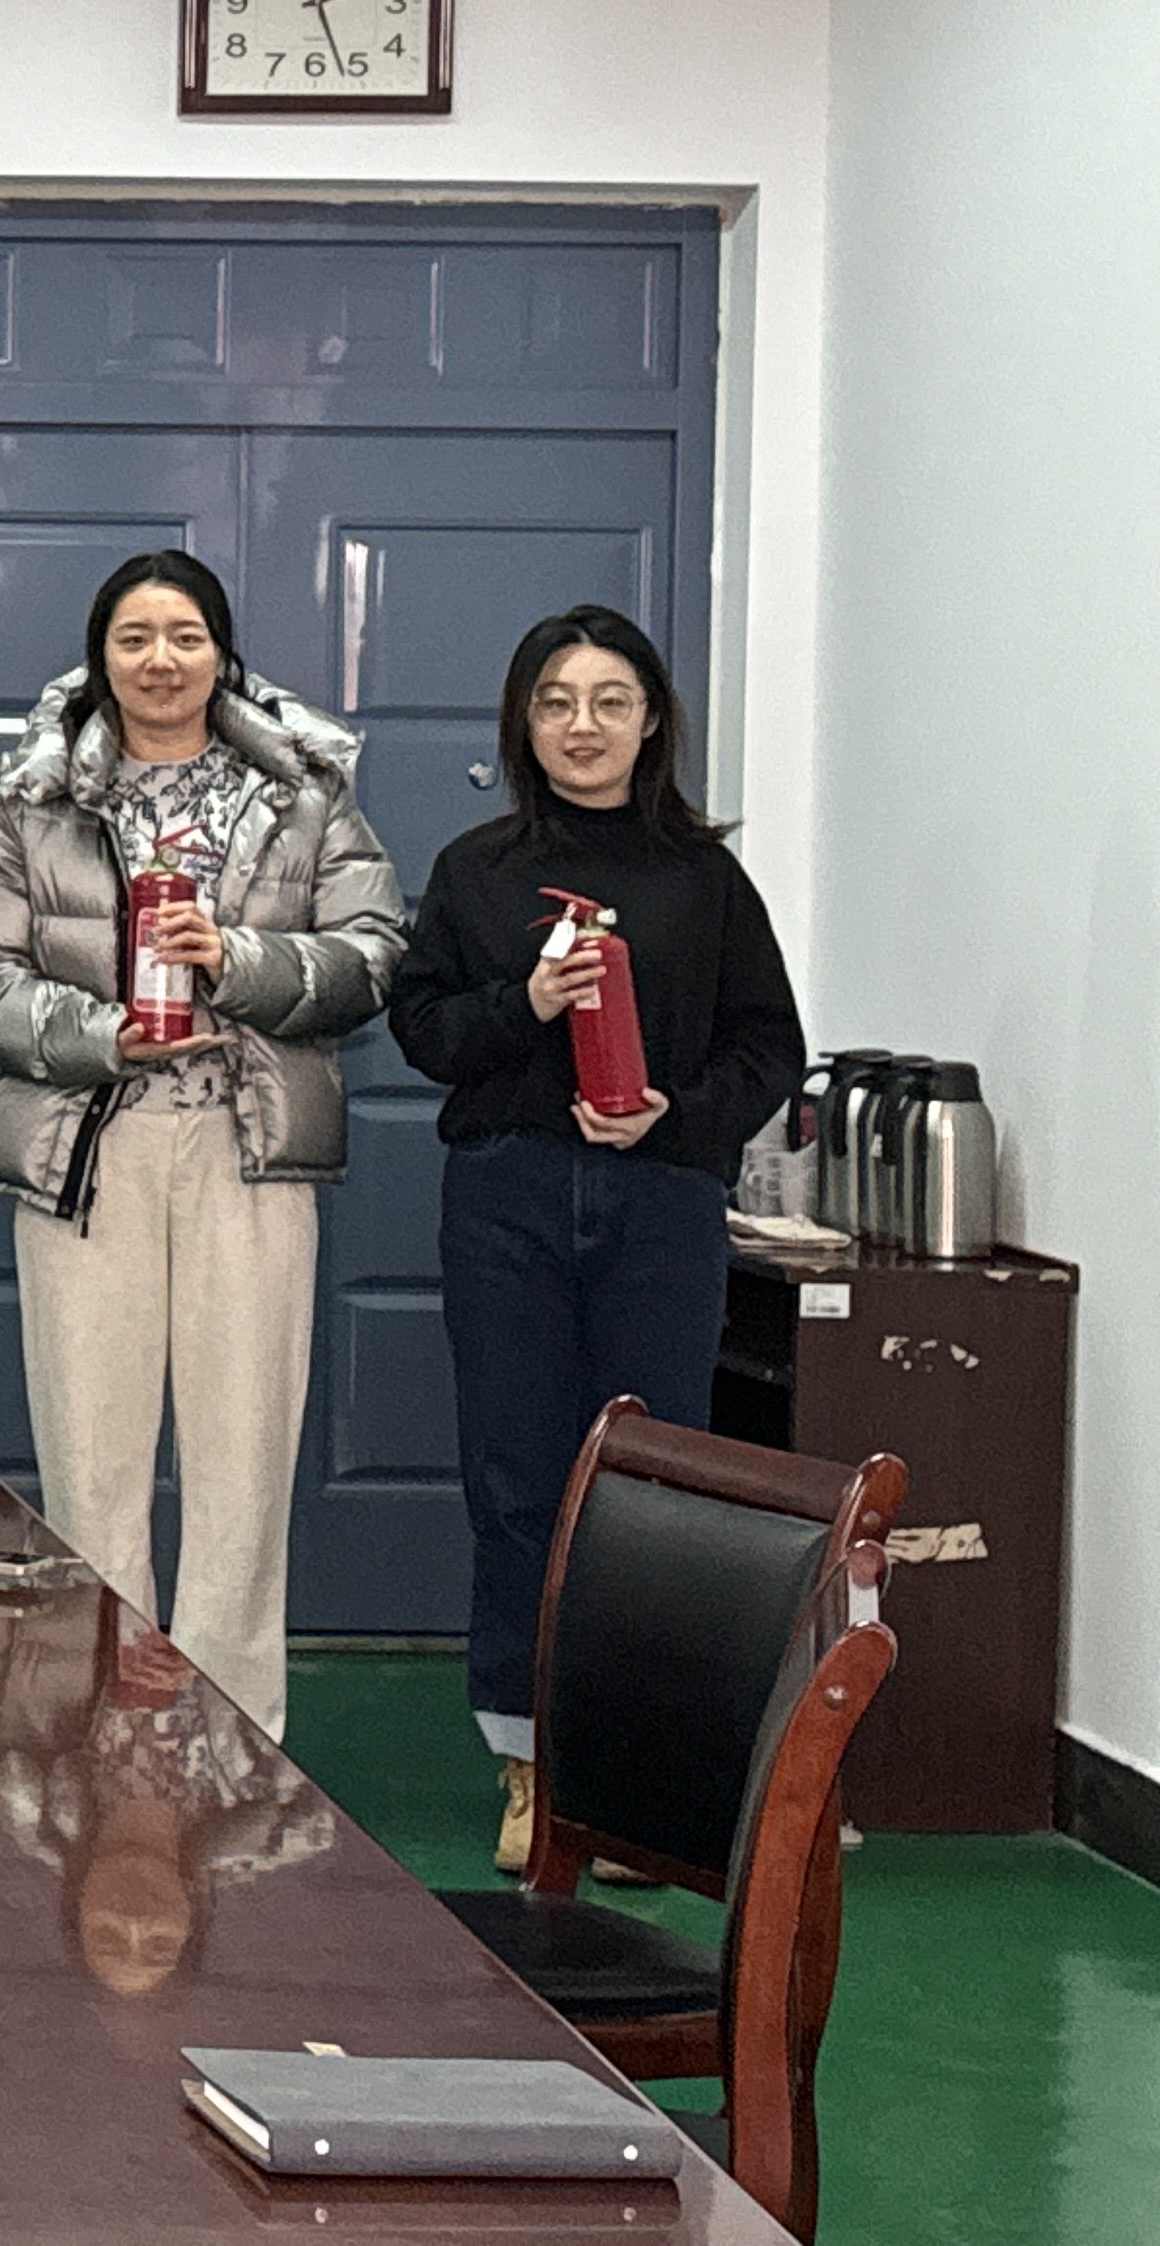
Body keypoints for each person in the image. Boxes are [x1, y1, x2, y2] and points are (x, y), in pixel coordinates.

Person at [0, 549, 401, 1742]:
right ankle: (98, 1732)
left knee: (245, 1459)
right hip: (86, 1154)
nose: (159, 661)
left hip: (247, 1150)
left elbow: (370, 956)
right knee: (89, 1459)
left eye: (185, 636)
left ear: (221, 655)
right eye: (133, 638)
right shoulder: (30, 798)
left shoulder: (301, 796)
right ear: (101, 658)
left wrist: (235, 962)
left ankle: (237, 1744)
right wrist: (101, 1035)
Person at [385, 604, 802, 1871]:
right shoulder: (477, 872)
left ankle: (630, 1785)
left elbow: (768, 1047)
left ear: (652, 720)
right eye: (557, 702)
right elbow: (424, 1031)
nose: (584, 725)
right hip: (506, 1198)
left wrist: (677, 1117)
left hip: (661, 1208)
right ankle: (528, 1765)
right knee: (517, 1482)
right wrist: (525, 1001)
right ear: (523, 723)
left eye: (611, 701)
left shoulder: (704, 879)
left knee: (653, 1491)